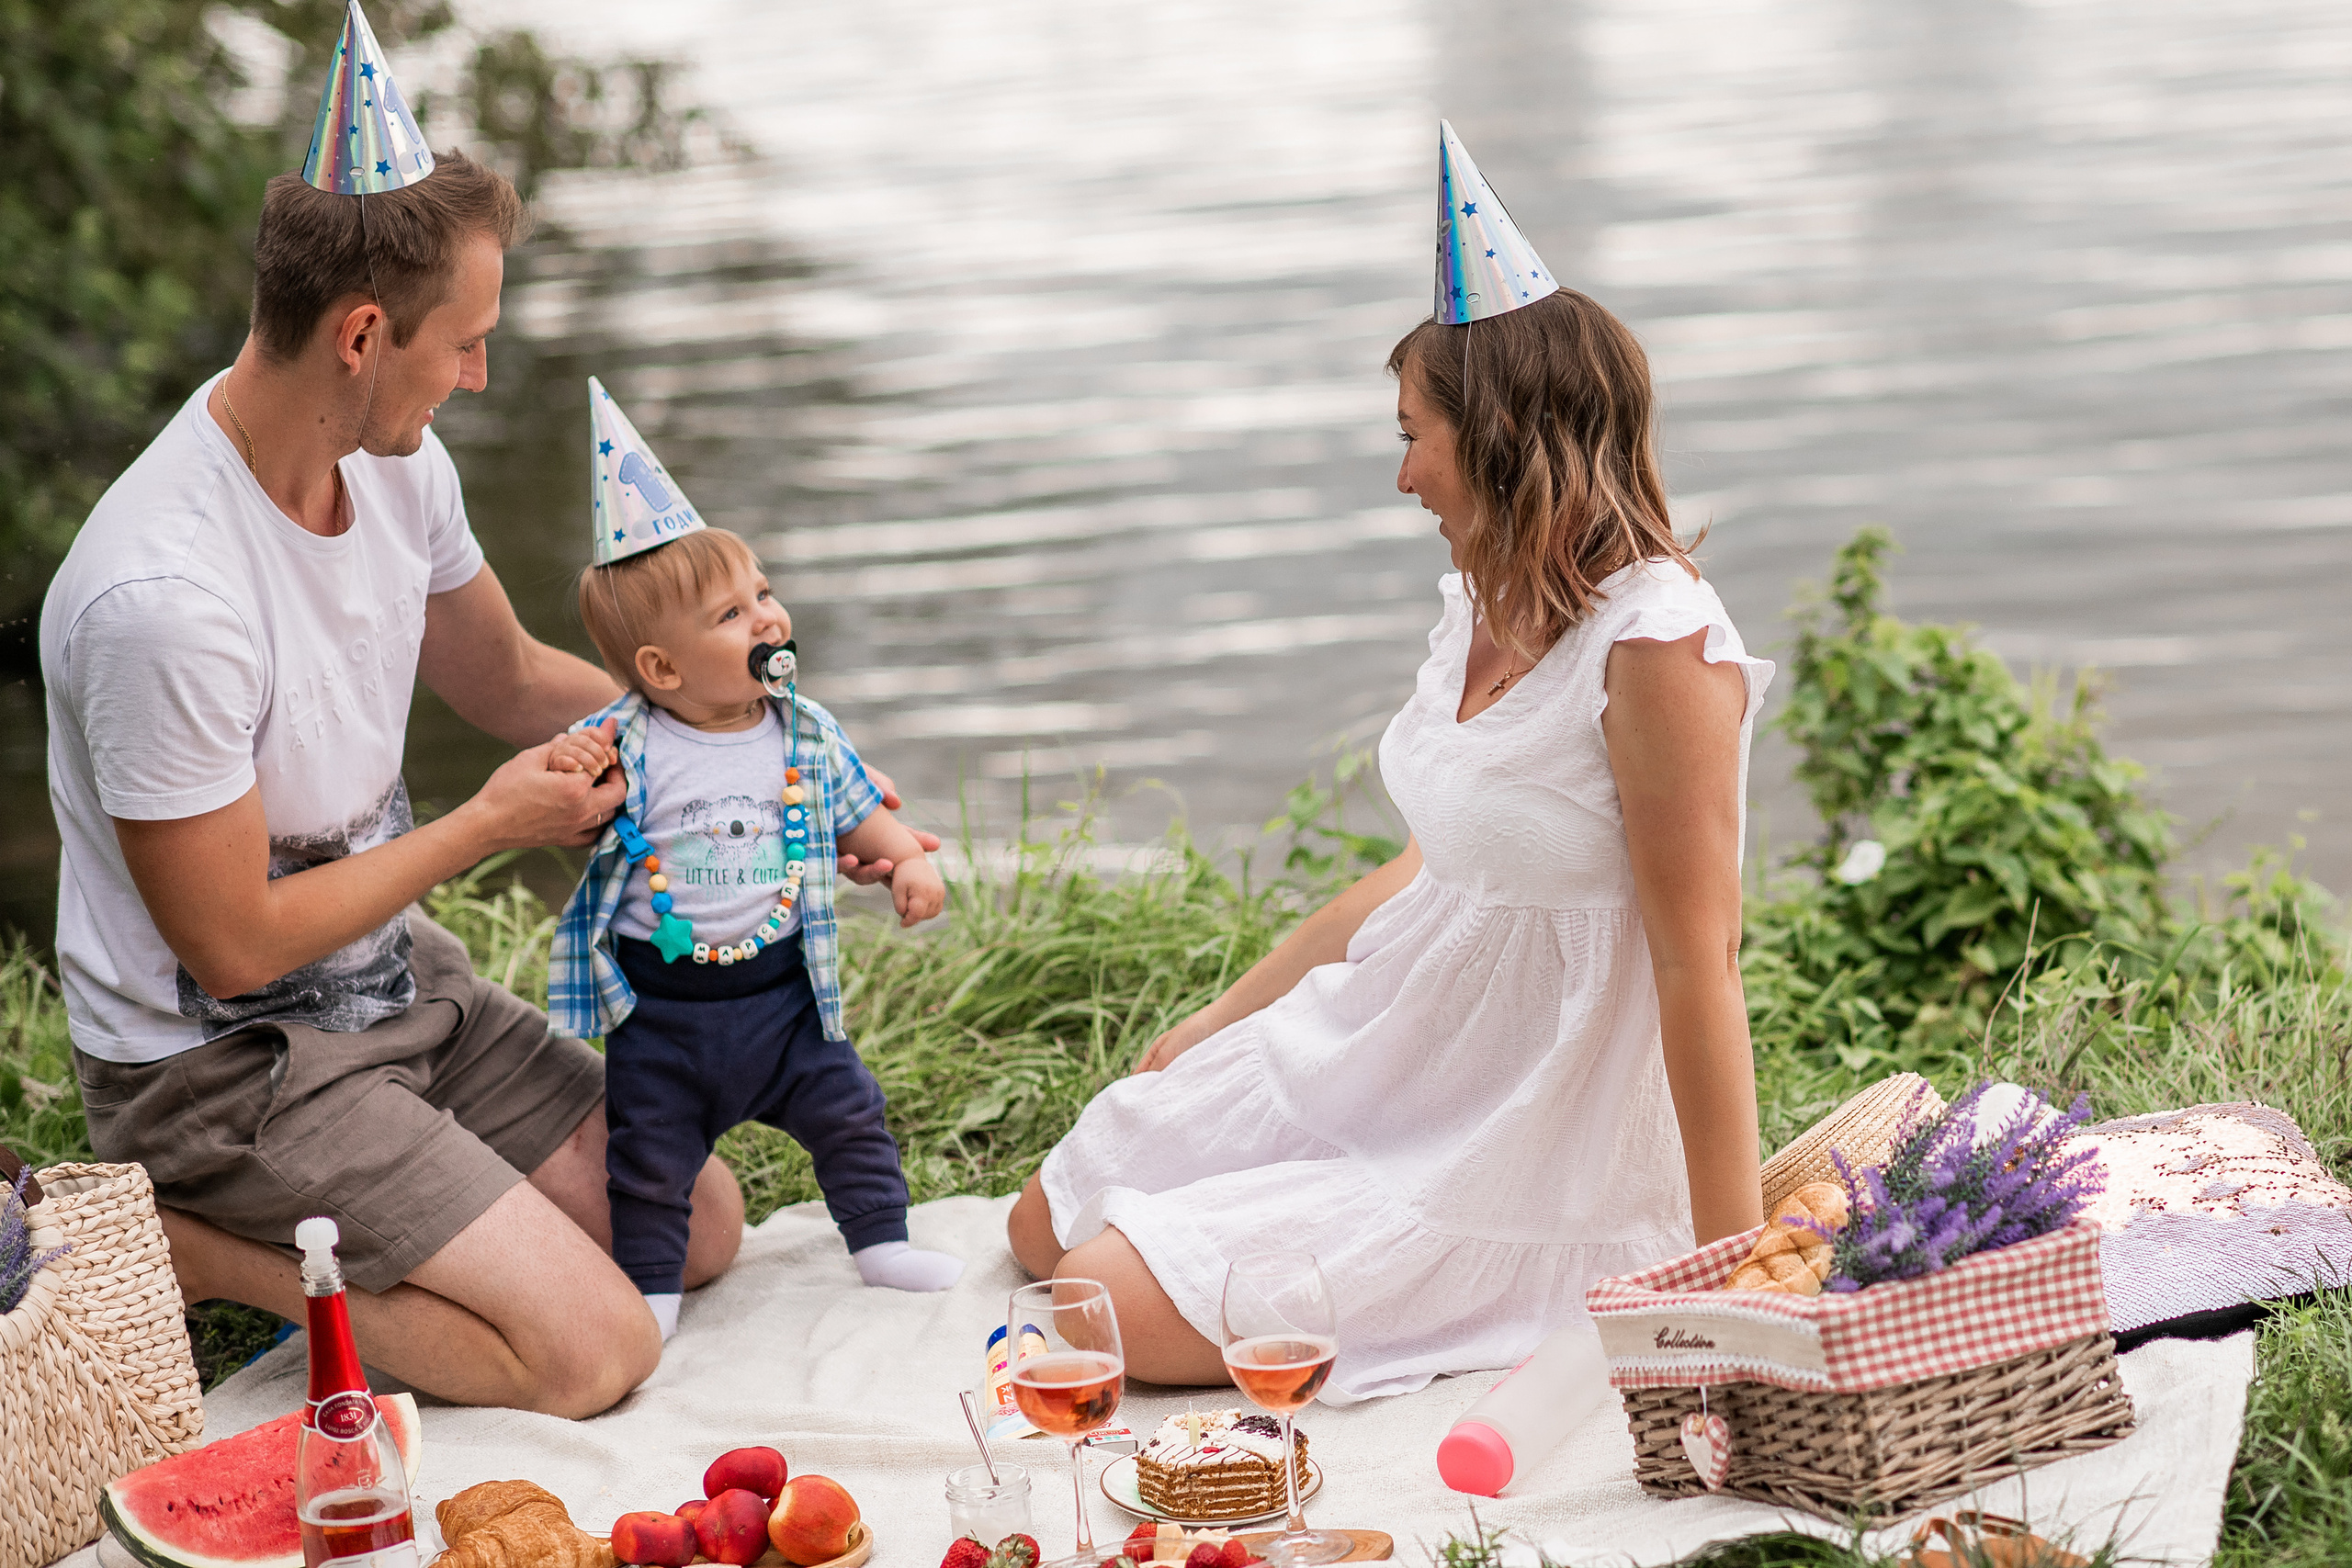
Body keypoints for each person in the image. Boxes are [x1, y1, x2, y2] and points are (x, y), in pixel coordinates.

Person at [38, 28, 934, 1415]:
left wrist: (788, 754)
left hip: (392, 979)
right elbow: (229, 942)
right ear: (359, 335)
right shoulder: (165, 598)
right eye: (465, 346)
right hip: (223, 1064)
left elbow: (511, 676)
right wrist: (489, 822)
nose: (478, 380)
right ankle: (193, 1238)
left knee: (691, 1223)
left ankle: (366, 1207)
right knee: (592, 1354)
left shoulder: (395, 466)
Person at [1008, 123, 1772, 1399]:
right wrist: (1221, 1017)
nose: (1403, 469)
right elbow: (1432, 866)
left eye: (1418, 433)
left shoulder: (1657, 645)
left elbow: (1703, 961)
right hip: (1397, 1037)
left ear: (1506, 437)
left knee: (1105, 1309)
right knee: (1046, 1225)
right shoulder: (1482, 599)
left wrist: (1731, 1265)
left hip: (1522, 1122)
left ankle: (1477, 1263)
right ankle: (1282, 1173)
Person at [540, 386, 958, 1343]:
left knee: (850, 1113)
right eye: (732, 614)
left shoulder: (800, 731)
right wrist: (567, 765)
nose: (767, 619)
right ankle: (650, 1288)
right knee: (646, 1156)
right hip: (665, 1011)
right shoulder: (626, 738)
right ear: (662, 668)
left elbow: (859, 804)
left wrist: (904, 864)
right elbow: (561, 770)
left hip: (783, 998)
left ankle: (880, 1240)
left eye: (763, 593)